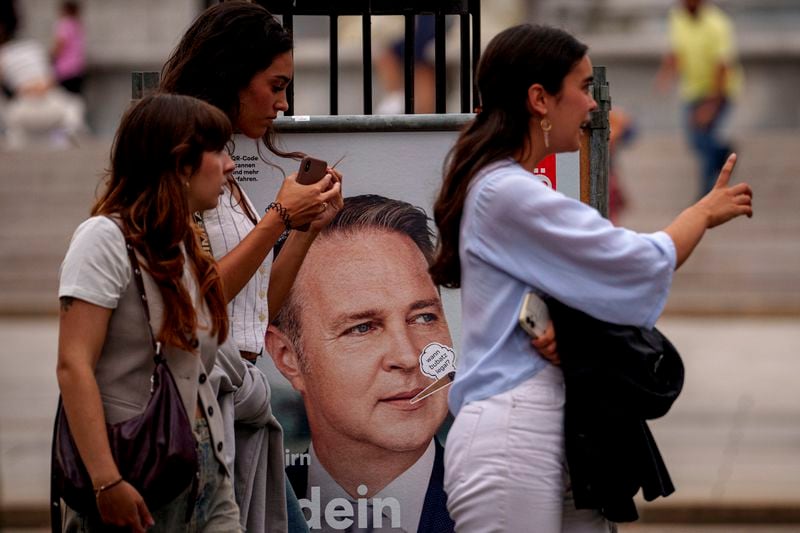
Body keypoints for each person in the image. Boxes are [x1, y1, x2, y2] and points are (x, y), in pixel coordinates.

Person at [430, 24, 753, 532]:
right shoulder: (505, 191)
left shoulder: (503, 187)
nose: (593, 106)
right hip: (512, 434)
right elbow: (635, 262)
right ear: (540, 99)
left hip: (553, 430)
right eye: (582, 88)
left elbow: (589, 290)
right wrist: (703, 214)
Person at [160, 2, 343, 531]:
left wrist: (306, 228)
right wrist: (280, 216)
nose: (283, 105)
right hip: (200, 410)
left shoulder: (222, 170)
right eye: (277, 85)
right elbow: (199, 299)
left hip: (235, 404)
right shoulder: (181, 166)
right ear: (232, 76)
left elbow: (257, 305)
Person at [56, 93, 241, 531]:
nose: (229, 165)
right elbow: (72, 365)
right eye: (217, 151)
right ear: (180, 164)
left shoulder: (181, 246)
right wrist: (106, 481)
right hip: (133, 473)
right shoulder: (102, 238)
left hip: (204, 472)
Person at [267, 195, 456, 533]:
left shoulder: (505, 508)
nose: (409, 357)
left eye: (424, 317)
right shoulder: (248, 509)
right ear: (287, 356)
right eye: (363, 327)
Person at [656, 0, 743, 197]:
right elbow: (675, 50)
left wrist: (711, 104)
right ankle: (723, 154)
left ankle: (706, 193)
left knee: (703, 137)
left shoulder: (718, 23)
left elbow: (722, 66)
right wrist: (665, 74)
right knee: (697, 141)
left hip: (719, 90)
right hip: (693, 90)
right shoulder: (677, 17)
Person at [0, 0, 85, 148]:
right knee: (73, 107)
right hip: (45, 102)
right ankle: (64, 133)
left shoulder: (8, 53)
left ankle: (13, 135)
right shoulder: (34, 46)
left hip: (23, 107)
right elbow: (50, 76)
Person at [51, 1, 86, 95]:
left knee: (64, 99)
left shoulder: (64, 24)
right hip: (77, 68)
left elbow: (60, 44)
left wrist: (51, 57)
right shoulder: (77, 25)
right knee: (75, 99)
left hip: (64, 69)